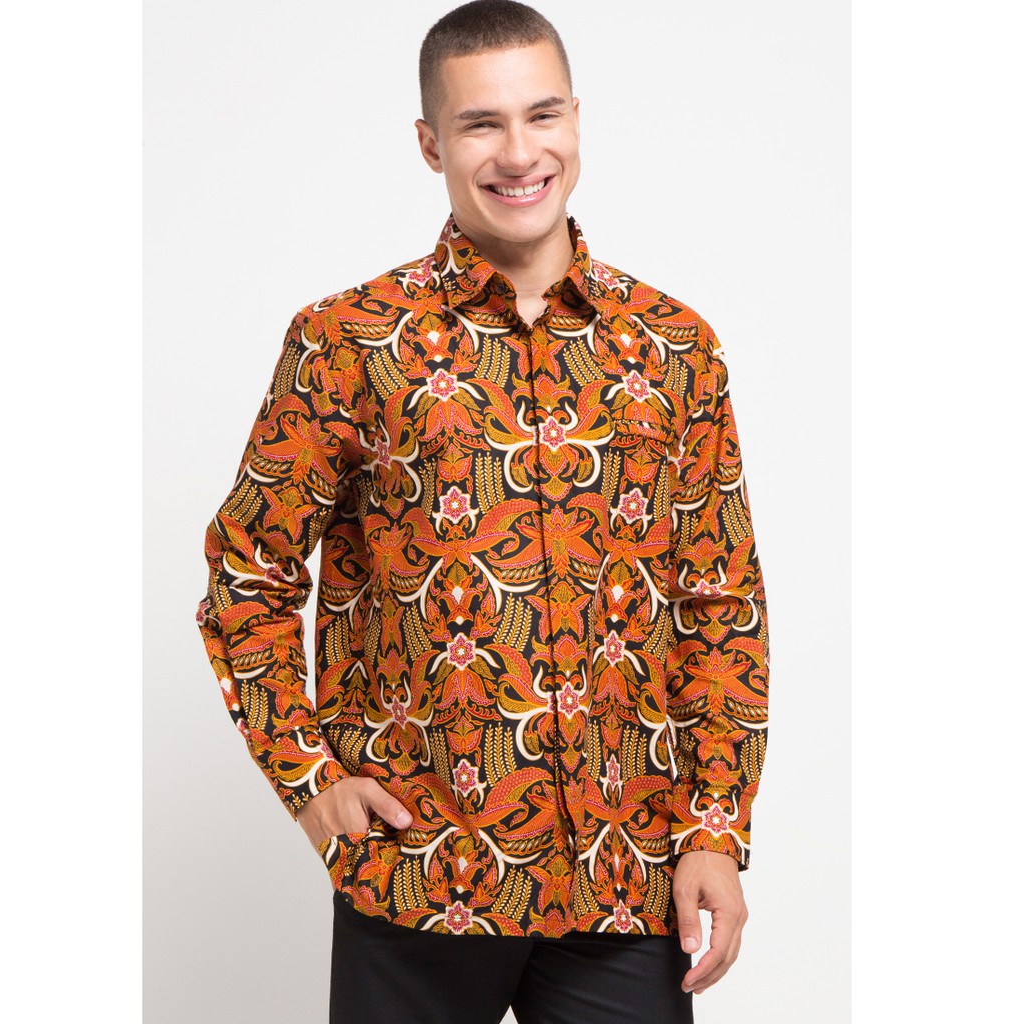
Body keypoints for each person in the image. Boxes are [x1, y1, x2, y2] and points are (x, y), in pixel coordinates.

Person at [196, 2, 769, 1021]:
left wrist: (716, 832)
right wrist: (309, 777)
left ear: (577, 119)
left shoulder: (675, 348)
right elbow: (248, 571)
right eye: (480, 124)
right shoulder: (348, 341)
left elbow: (720, 604)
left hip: (626, 879)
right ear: (431, 143)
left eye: (541, 114)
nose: (518, 152)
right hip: (417, 876)